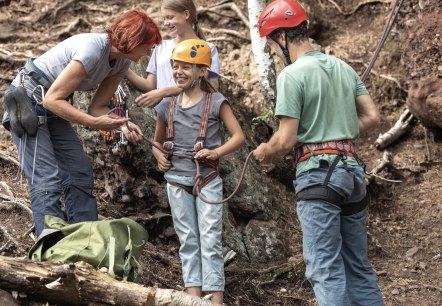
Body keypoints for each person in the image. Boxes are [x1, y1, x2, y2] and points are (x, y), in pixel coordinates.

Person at [253, 1, 384, 305]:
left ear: (282, 37)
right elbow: (372, 118)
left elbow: (286, 140)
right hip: (351, 173)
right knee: (358, 267)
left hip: (318, 177)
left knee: (325, 269)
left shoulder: (291, 75)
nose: (272, 52)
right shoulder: (342, 66)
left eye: (271, 44)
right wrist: (336, 131)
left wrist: (266, 151)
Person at [1, 10, 162, 237]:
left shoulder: (121, 64)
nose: (150, 50)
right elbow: (52, 99)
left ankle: (84, 238)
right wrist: (95, 123)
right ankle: (51, 242)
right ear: (133, 40)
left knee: (79, 170)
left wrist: (122, 124)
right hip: (28, 100)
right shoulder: (92, 49)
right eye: (149, 44)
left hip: (54, 106)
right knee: (46, 176)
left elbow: (97, 107)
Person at [152, 39, 244, 305]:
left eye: (186, 67)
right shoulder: (167, 105)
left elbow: (238, 136)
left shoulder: (216, 102)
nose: (178, 72)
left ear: (202, 71)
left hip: (207, 180)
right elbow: (157, 144)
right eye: (175, 66)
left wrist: (216, 153)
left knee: (210, 238)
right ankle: (194, 299)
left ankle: (215, 299)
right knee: (188, 240)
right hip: (176, 181)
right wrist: (159, 156)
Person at [126, 0, 219, 108]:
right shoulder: (161, 47)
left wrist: (163, 92)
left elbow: (201, 85)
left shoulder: (208, 48)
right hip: (163, 117)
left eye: (170, 17)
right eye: (164, 19)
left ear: (186, 14)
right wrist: (125, 70)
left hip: (192, 116)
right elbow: (151, 86)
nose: (165, 23)